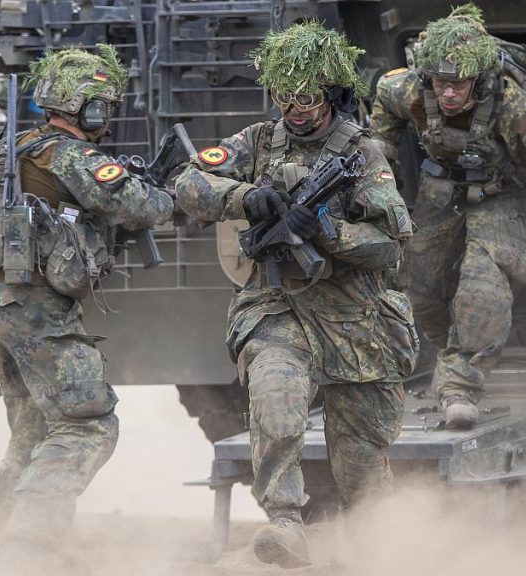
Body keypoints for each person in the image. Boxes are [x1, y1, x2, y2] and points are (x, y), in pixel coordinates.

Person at [174, 22, 418, 568]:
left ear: (329, 94)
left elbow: (390, 246)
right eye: (284, 98)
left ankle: (379, 551)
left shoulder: (363, 155)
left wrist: (326, 232)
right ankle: (286, 524)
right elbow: (188, 184)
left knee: (360, 464)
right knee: (276, 402)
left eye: (306, 98)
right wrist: (247, 196)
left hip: (355, 319)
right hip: (277, 306)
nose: (295, 109)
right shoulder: (258, 141)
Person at [0, 45, 173, 569]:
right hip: (34, 304)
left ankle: (11, 543)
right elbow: (146, 207)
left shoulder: (8, 147)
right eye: (103, 105)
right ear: (88, 108)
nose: (107, 116)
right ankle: (32, 548)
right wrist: (159, 190)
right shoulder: (71, 156)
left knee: (32, 426)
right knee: (88, 422)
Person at [370, 4, 526, 429]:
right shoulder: (408, 90)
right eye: (441, 83)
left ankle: (460, 387)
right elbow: (381, 127)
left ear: (477, 77)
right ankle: (459, 349)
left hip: (501, 197)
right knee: (417, 288)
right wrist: (381, 169)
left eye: (459, 84)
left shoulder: (511, 105)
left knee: (482, 284)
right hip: (441, 192)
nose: (449, 94)